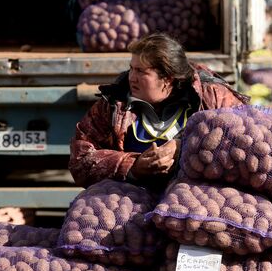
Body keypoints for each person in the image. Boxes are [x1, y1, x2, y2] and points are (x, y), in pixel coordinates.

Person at [69, 33, 248, 189]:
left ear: (168, 79)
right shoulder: (113, 105)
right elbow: (81, 159)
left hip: (193, 201)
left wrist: (185, 148)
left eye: (141, 71)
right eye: (131, 68)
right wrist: (132, 166)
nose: (132, 77)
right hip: (131, 201)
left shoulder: (213, 98)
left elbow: (244, 143)